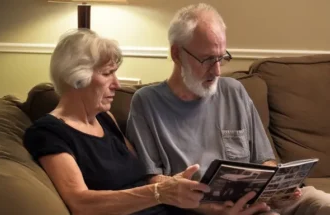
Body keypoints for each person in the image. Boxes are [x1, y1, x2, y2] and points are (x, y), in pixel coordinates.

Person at [126, 3, 330, 215]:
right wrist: (208, 208)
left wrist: (279, 188)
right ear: (177, 54)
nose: (216, 71)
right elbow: (152, 182)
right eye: (207, 59)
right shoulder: (147, 103)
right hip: (206, 210)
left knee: (324, 203)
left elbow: (265, 160)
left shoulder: (234, 91)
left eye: (221, 58)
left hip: (260, 200)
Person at [23, 29, 215, 215]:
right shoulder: (48, 133)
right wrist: (160, 193)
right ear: (77, 78)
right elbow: (80, 203)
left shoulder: (105, 119)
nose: (117, 84)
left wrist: (177, 186)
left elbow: (142, 178)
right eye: (107, 74)